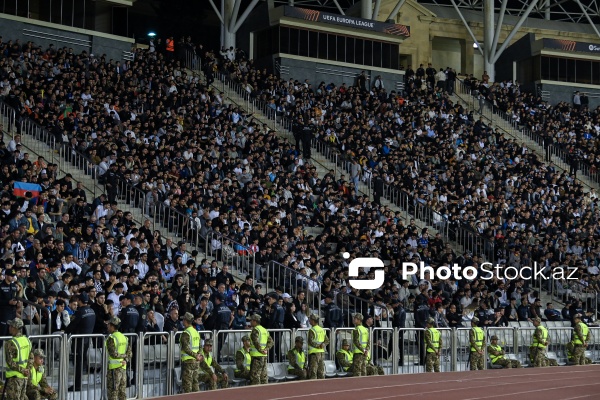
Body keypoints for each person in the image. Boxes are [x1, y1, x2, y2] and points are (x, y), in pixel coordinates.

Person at [66, 292, 96, 392]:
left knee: (78, 362)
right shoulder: (92, 310)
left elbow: (72, 325)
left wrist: (65, 333)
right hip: (87, 339)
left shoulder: (79, 312)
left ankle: (77, 385)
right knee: (81, 361)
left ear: (79, 301)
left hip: (79, 340)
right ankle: (78, 384)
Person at [4, 318, 33, 400]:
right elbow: (31, 358)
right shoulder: (27, 340)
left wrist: (23, 370)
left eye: (11, 326)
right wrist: (27, 370)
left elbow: (10, 362)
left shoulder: (10, 343)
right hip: (24, 378)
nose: (9, 328)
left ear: (15, 328)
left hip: (14, 379)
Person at [106, 317, 132, 400]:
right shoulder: (124, 338)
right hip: (123, 368)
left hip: (114, 369)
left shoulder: (111, 338)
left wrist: (124, 357)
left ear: (113, 326)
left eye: (109, 325)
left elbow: (113, 354)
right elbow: (130, 353)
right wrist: (126, 360)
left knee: (113, 392)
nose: (108, 327)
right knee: (122, 392)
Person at [180, 312, 204, 393]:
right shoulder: (196, 332)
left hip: (188, 362)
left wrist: (196, 356)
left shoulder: (186, 333)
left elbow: (185, 348)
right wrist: (199, 355)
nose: (182, 321)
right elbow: (200, 346)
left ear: (185, 321)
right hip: (196, 362)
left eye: (183, 319)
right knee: (195, 384)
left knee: (187, 386)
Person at [249, 314, 273, 385]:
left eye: (251, 320)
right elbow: (271, 341)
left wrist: (260, 350)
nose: (250, 322)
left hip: (256, 357)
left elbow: (255, 342)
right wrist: (266, 349)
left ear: (254, 321)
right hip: (264, 356)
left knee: (255, 376)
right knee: (264, 376)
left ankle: (256, 392)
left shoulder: (255, 330)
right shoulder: (264, 330)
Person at [307, 313, 328, 379]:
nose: (309, 321)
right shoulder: (322, 330)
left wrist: (318, 346)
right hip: (321, 353)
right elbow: (327, 340)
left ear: (313, 320)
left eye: (310, 319)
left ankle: (313, 387)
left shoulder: (312, 330)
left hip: (314, 353)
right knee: (321, 371)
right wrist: (323, 345)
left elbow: (311, 341)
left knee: (313, 371)